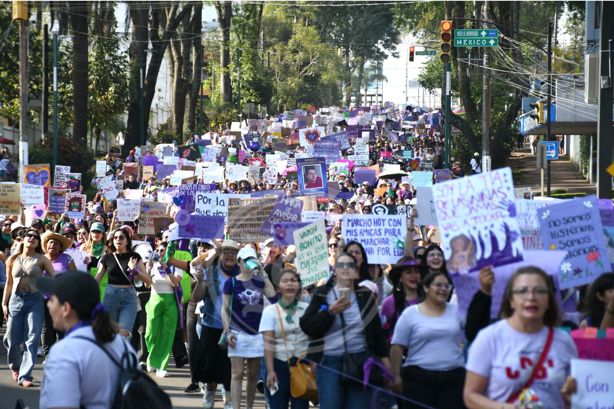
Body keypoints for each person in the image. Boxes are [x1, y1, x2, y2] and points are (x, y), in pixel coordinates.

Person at [464, 266, 577, 408]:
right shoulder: (489, 338)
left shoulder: (564, 341)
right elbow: (470, 396)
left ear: (549, 300)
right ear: (511, 300)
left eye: (540, 291)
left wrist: (570, 398)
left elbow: (572, 394)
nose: (531, 297)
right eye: (522, 291)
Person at [300, 252, 390, 409]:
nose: (346, 269)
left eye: (350, 265)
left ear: (356, 272)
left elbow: (376, 333)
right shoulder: (322, 294)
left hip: (360, 361)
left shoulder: (365, 295)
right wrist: (330, 312)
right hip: (330, 363)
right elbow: (307, 326)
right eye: (341, 265)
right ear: (335, 270)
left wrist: (387, 366)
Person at [37, 271, 131, 409]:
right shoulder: (122, 345)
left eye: (51, 300)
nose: (49, 305)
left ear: (66, 308)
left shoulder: (65, 351)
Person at [390, 271, 466, 409]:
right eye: (438, 285)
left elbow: (470, 336)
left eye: (447, 286)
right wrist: (395, 375)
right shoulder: (410, 313)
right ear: (426, 287)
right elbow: (397, 345)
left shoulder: (457, 311)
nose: (443, 289)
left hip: (453, 378)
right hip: (419, 380)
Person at [222, 246, 276, 409]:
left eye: (252, 259)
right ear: (239, 262)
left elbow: (273, 297)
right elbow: (224, 309)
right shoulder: (231, 282)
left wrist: (263, 274)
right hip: (237, 333)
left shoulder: (260, 281)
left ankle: (249, 407)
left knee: (253, 375)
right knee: (237, 373)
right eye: (246, 260)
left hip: (257, 334)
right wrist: (227, 330)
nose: (249, 263)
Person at [2, 228, 56, 386]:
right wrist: (4, 303)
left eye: (35, 237)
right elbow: (9, 283)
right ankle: (15, 367)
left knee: (32, 337)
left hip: (35, 301)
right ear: (22, 240)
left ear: (38, 243)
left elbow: (54, 278)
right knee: (12, 338)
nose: (32, 238)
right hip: (15, 300)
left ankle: (26, 375)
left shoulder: (42, 259)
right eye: (29, 236)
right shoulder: (12, 259)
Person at [192, 240, 240, 407]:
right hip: (211, 324)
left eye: (233, 252)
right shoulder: (210, 272)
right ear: (220, 254)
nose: (229, 255)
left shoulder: (242, 274)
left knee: (230, 366)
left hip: (234, 328)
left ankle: (228, 397)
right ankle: (210, 392)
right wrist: (199, 281)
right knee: (209, 366)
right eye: (226, 251)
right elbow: (196, 298)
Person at [260, 269, 310, 409]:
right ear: (278, 287)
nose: (290, 284)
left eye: (293, 281)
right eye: (285, 281)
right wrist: (270, 371)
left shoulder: (307, 309)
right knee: (277, 406)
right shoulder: (270, 311)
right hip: (278, 367)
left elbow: (313, 338)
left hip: (301, 367)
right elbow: (268, 343)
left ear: (299, 286)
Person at [95, 227, 151, 338]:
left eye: (121, 237)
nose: (118, 240)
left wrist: (135, 271)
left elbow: (148, 281)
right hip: (110, 296)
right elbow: (98, 277)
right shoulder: (107, 257)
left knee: (124, 333)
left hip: (129, 298)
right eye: (115, 237)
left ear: (127, 241)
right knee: (109, 333)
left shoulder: (135, 257)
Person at [144, 241, 183, 378]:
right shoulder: (152, 264)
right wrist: (147, 269)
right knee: (150, 333)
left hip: (170, 300)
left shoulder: (176, 265)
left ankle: (161, 365)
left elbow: (175, 283)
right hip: (154, 299)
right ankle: (152, 357)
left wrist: (166, 268)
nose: (161, 253)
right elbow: (147, 284)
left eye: (164, 251)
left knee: (167, 334)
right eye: (159, 250)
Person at [41, 231, 77, 359]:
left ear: (61, 247)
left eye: (56, 243)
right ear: (46, 245)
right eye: (51, 242)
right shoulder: (41, 258)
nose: (53, 245)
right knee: (47, 328)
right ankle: (48, 355)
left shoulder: (67, 258)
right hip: (45, 299)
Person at [380, 257, 422, 342]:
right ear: (400, 278)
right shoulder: (389, 302)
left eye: (416, 272)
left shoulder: (428, 300)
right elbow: (383, 333)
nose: (414, 276)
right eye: (409, 272)